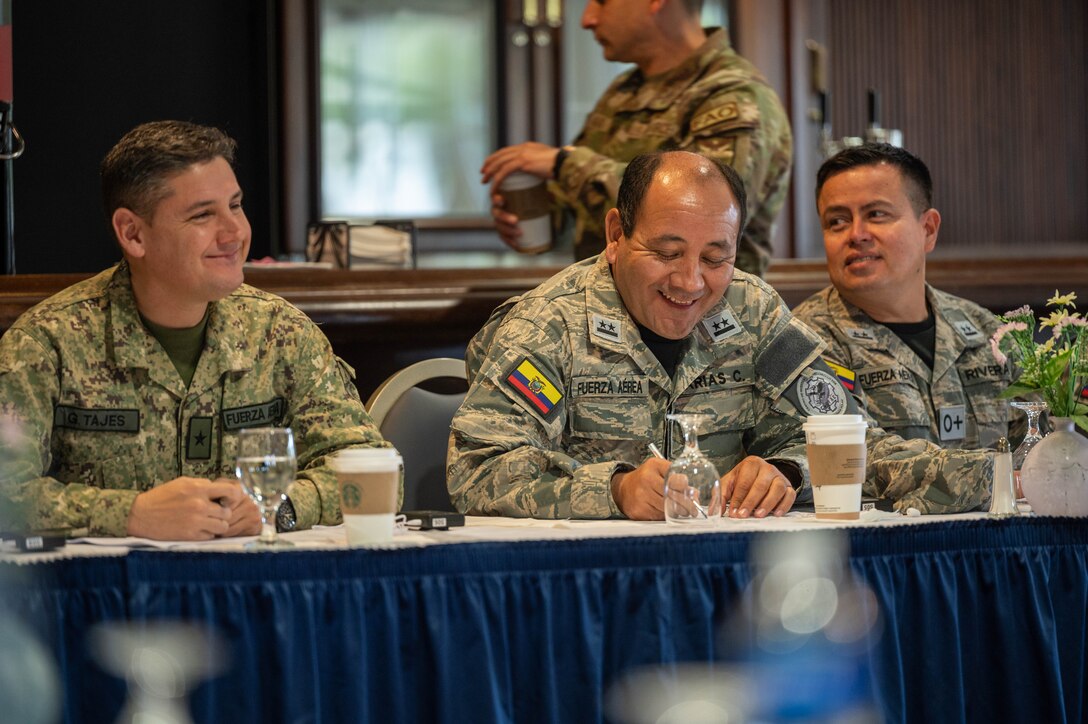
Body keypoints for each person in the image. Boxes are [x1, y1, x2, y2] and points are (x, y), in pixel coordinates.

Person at [451, 150, 994, 519]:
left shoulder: (752, 309)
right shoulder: (548, 324)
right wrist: (614, 490)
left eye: (716, 258)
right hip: (589, 588)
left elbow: (847, 438)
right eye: (666, 253)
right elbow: (478, 471)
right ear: (616, 234)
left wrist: (786, 469)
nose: (689, 282)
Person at [0, 120, 390, 540]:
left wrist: (279, 505)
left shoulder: (281, 333)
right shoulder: (46, 344)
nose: (235, 233)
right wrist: (130, 513)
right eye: (203, 214)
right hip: (107, 597)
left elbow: (373, 468)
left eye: (236, 206)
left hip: (253, 589)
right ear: (132, 233)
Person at [480, 0, 791, 277]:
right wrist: (535, 215)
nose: (587, 19)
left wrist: (566, 164)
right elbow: (587, 223)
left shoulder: (734, 95)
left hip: (696, 321)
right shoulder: (623, 92)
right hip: (609, 320)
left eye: (601, 2)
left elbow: (702, 215)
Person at [792, 143, 1017, 450]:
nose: (856, 234)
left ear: (928, 229)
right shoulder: (805, 341)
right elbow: (861, 460)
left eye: (876, 214)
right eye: (837, 221)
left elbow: (1044, 444)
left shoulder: (986, 331)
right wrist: (1005, 477)